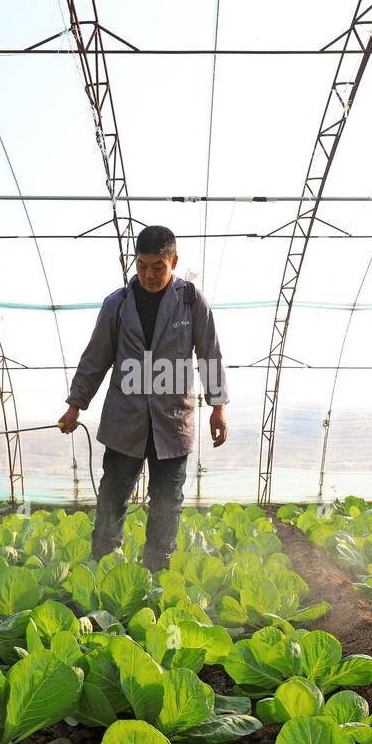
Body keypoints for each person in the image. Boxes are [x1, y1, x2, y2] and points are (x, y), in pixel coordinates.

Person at [58, 225, 228, 571]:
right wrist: (75, 405)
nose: (149, 274)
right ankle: (103, 571)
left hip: (173, 422)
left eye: (158, 267)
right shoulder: (117, 305)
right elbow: (95, 358)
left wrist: (218, 408)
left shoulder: (191, 302)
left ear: (173, 261)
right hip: (125, 421)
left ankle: (156, 574)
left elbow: (210, 355)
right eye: (142, 266)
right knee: (111, 500)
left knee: (167, 504)